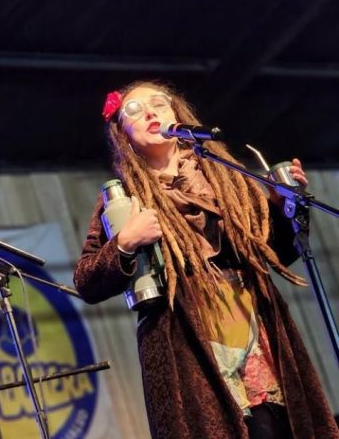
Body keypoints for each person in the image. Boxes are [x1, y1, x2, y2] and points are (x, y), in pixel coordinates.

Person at [73, 80, 339, 439]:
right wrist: (125, 241)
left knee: (273, 428)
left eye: (159, 104)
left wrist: (281, 207)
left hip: (254, 333)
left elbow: (270, 252)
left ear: (177, 114)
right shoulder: (122, 198)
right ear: (123, 134)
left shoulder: (222, 175)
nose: (150, 112)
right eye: (134, 111)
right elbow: (86, 281)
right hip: (188, 346)